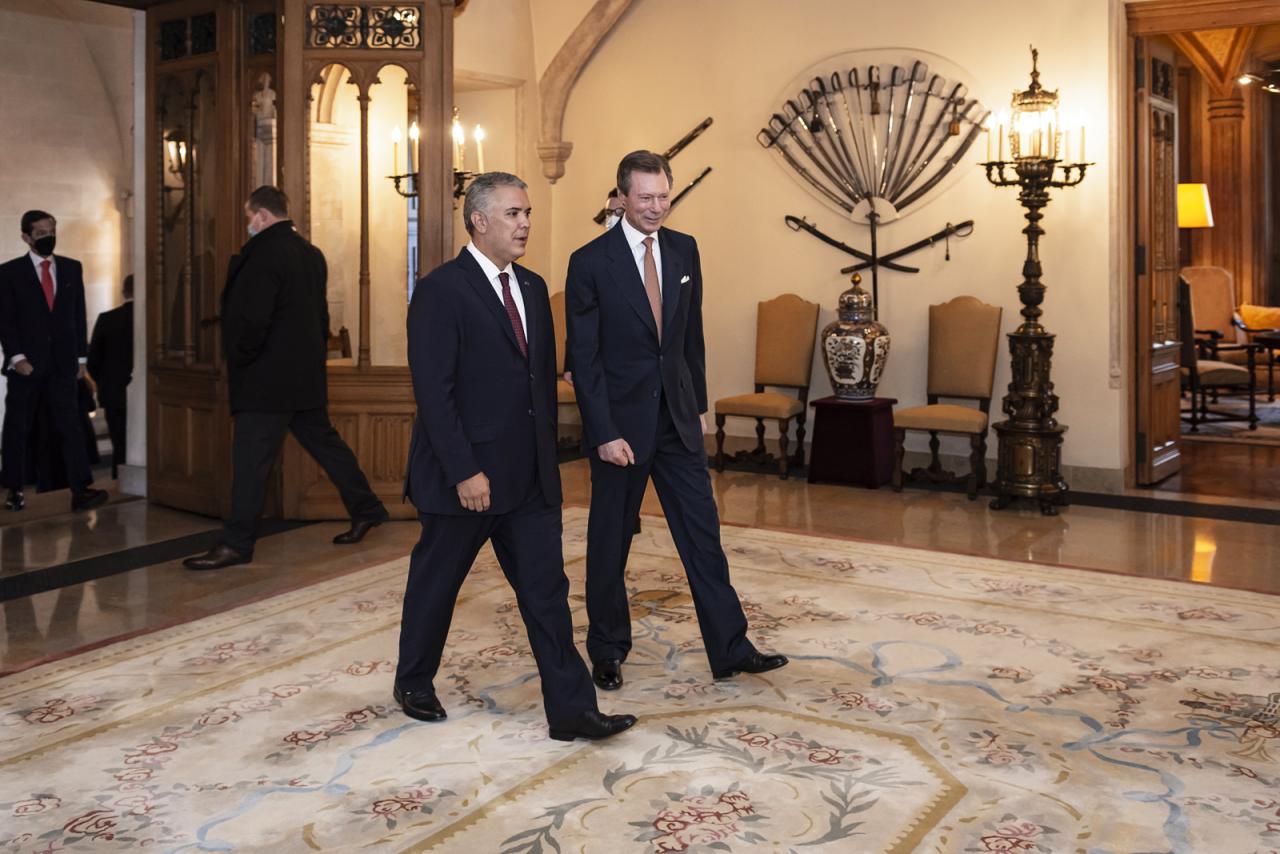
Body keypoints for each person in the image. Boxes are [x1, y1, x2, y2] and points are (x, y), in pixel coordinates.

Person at [395, 171, 636, 742]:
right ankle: (413, 681)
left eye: (527, 212)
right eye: (513, 213)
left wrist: (547, 468)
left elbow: (538, 390)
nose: (526, 222)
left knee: (547, 595)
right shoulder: (440, 290)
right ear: (479, 221)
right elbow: (435, 392)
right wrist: (464, 471)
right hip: (467, 479)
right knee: (437, 585)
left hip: (528, 480)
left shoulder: (530, 287)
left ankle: (572, 711)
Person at [565, 150, 788, 691]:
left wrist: (700, 406)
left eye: (664, 196)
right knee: (610, 540)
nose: (656, 207)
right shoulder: (590, 262)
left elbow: (691, 338)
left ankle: (731, 646)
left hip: (678, 420)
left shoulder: (685, 249)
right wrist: (603, 432)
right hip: (620, 427)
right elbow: (583, 359)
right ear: (620, 198)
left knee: (702, 535)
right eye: (645, 198)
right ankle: (608, 649)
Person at [183, 186, 388, 570]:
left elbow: (252, 319)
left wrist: (240, 360)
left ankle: (236, 544)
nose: (248, 224)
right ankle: (367, 508)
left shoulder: (262, 254)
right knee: (326, 446)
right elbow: (320, 317)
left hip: (265, 380)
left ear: (261, 215)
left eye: (248, 217)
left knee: (249, 463)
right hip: (303, 376)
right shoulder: (310, 253)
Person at [0, 210, 107, 513]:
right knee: (18, 428)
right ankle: (15, 490)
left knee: (70, 426)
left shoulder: (72, 269)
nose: (48, 237)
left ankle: (81, 489)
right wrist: (17, 357)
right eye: (41, 233)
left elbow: (77, 315)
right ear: (26, 237)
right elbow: (5, 320)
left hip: (63, 364)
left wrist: (81, 358)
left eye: (51, 230)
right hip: (26, 366)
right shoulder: (9, 273)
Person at [88, 274, 134, 479]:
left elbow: (93, 362)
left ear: (124, 292)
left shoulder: (107, 319)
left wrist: (102, 383)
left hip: (114, 392)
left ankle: (120, 483)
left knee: (119, 443)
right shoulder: (153, 320)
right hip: (147, 392)